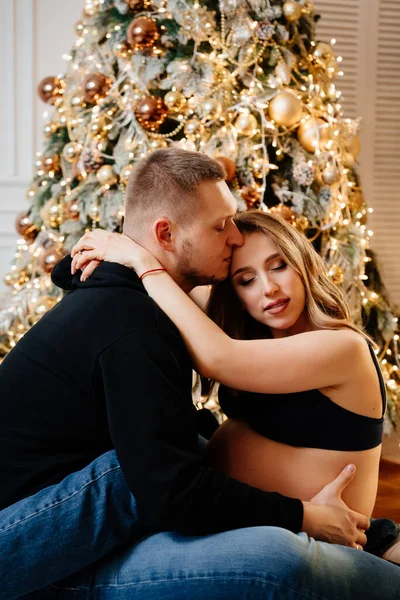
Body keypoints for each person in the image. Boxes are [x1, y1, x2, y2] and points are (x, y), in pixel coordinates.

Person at [0, 149, 399, 600]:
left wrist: (130, 253)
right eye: (220, 226)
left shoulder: (155, 303)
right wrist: (303, 517)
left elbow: (213, 348)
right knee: (270, 552)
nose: (233, 238)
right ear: (166, 234)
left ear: (301, 262)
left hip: (242, 507)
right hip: (55, 538)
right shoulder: (137, 322)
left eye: (278, 266)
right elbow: (169, 484)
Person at [71, 207, 383, 519]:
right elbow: (183, 286)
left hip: (324, 534)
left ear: (302, 264)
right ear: (237, 297)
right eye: (246, 280)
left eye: (278, 267)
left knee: (117, 479)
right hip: (254, 517)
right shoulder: (254, 336)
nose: (268, 288)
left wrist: (142, 262)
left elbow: (219, 357)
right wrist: (119, 249)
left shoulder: (344, 348)